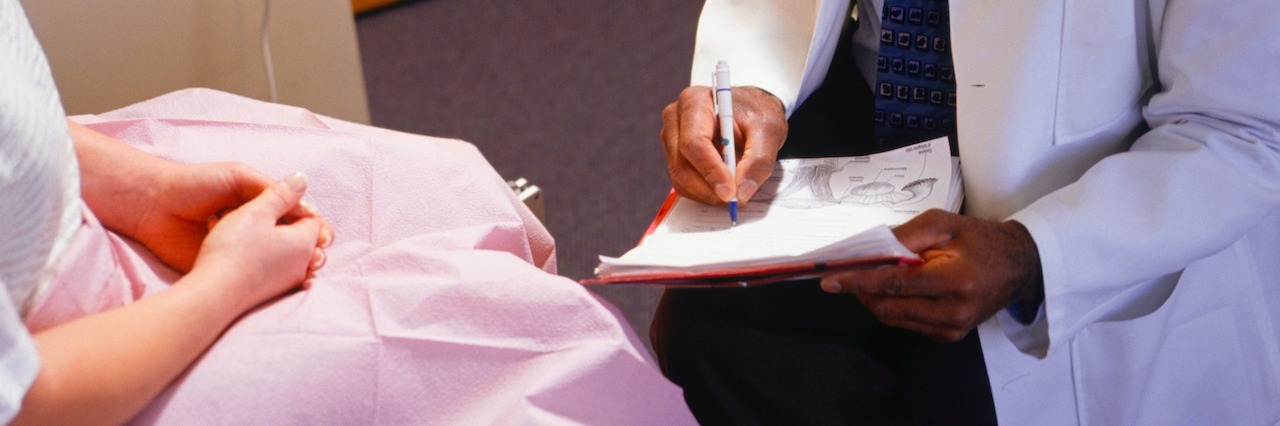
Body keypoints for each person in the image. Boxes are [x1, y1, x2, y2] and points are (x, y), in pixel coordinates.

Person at [0, 1, 695, 424]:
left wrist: (144, 189)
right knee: (554, 358)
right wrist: (226, 286)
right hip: (77, 375)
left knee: (453, 189)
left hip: (79, 210)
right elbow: (27, 401)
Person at [652, 0, 1280, 424]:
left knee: (953, 392)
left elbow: (1239, 128)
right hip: (873, 113)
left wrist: (1036, 254)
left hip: (1089, 215)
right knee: (711, 331)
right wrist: (753, 85)